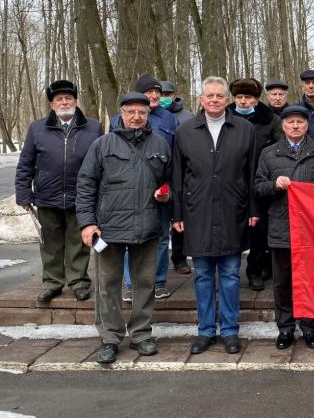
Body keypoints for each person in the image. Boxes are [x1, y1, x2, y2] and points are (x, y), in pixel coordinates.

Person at [76, 92, 171, 365]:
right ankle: (109, 337)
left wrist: (168, 195)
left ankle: (142, 334)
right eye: (131, 111)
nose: (136, 116)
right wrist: (87, 223)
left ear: (148, 114)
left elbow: (171, 182)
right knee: (107, 285)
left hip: (148, 227)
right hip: (108, 229)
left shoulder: (160, 145)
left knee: (144, 284)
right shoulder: (103, 145)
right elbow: (85, 185)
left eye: (142, 112)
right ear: (121, 114)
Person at [171, 76, 259, 355]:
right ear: (201, 99)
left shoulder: (244, 129)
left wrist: (254, 209)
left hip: (234, 210)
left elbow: (252, 171)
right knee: (203, 275)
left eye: (219, 96)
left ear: (227, 100)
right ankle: (206, 330)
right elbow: (177, 176)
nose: (214, 100)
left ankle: (231, 330)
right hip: (197, 212)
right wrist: (177, 214)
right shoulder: (185, 131)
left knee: (232, 273)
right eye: (209, 96)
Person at [255, 104, 314, 349]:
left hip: (312, 230)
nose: (295, 126)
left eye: (300, 122)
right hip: (281, 227)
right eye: (290, 122)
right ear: (283, 125)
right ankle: (286, 328)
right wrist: (273, 185)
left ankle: (310, 327)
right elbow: (258, 187)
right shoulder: (269, 154)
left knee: (311, 280)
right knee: (282, 282)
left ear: (307, 125)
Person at [15, 79, 104, 302]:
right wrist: (24, 193)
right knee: (51, 243)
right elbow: (26, 163)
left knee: (79, 242)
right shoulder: (37, 128)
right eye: (59, 99)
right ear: (52, 104)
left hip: (81, 196)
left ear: (75, 100)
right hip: (47, 196)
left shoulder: (93, 127)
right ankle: (52, 282)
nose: (64, 102)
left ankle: (78, 281)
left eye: (68, 98)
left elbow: (102, 163)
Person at [110, 74, 177, 301]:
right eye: (149, 91)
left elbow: (175, 154)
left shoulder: (169, 119)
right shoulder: (115, 120)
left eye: (157, 91)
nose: (155, 95)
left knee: (161, 237)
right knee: (130, 238)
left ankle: (158, 281)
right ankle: (130, 283)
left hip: (160, 188)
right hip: (129, 189)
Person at [228, 77, 282, 291]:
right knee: (231, 229)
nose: (243, 102)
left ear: (257, 99)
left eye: (248, 98)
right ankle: (228, 273)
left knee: (258, 231)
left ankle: (255, 271)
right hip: (231, 181)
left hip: (260, 181)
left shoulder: (270, 119)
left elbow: (279, 148)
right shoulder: (226, 115)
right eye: (239, 97)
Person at [159, 80, 193, 275]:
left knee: (180, 215)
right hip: (161, 171)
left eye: (167, 94)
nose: (163, 98)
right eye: (160, 94)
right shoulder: (150, 113)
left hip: (182, 170)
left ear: (174, 95)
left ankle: (180, 258)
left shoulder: (187, 116)